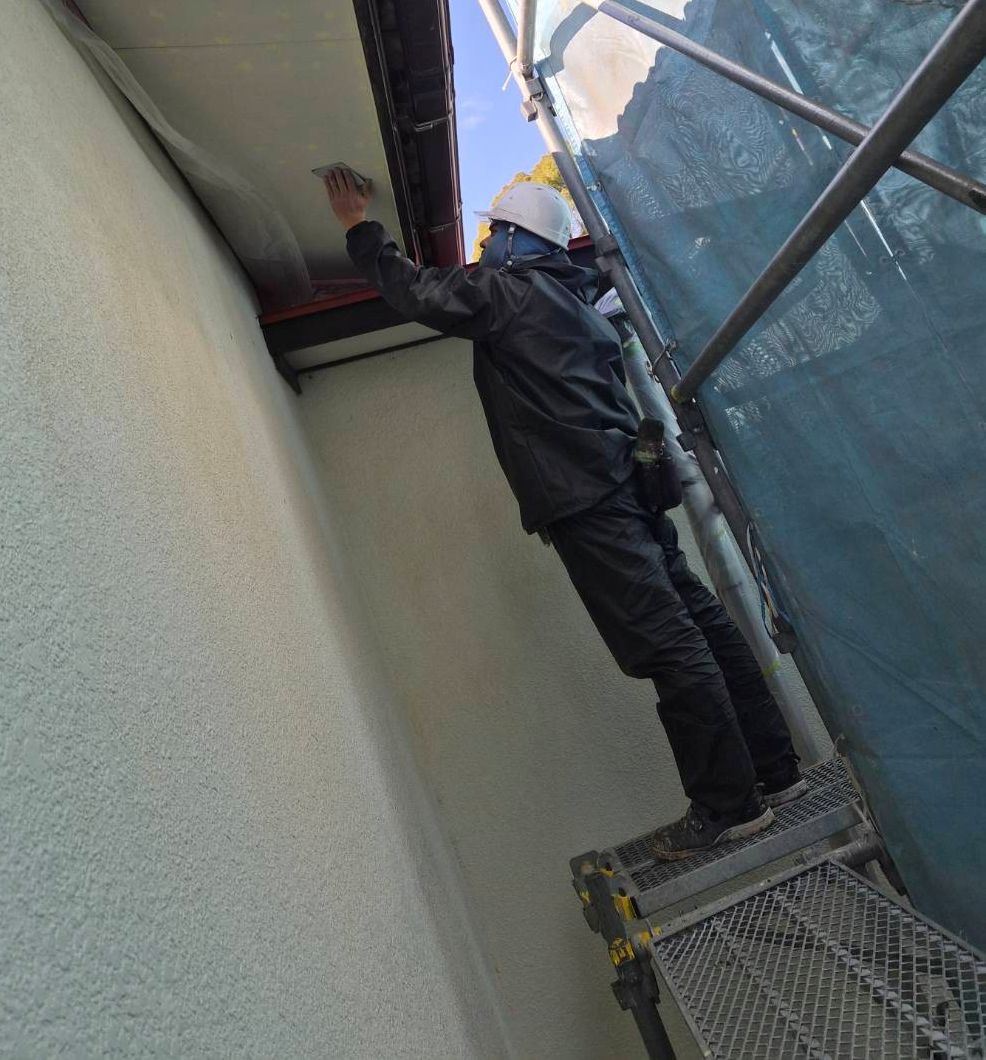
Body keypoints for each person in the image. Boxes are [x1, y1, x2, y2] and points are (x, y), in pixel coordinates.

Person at [323, 168, 806, 858]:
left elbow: (415, 291)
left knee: (669, 645)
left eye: (494, 232)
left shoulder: (508, 292)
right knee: (698, 620)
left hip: (588, 500)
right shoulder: (580, 307)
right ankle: (776, 770)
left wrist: (358, 226)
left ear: (520, 241)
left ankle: (730, 804)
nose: (485, 244)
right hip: (629, 488)